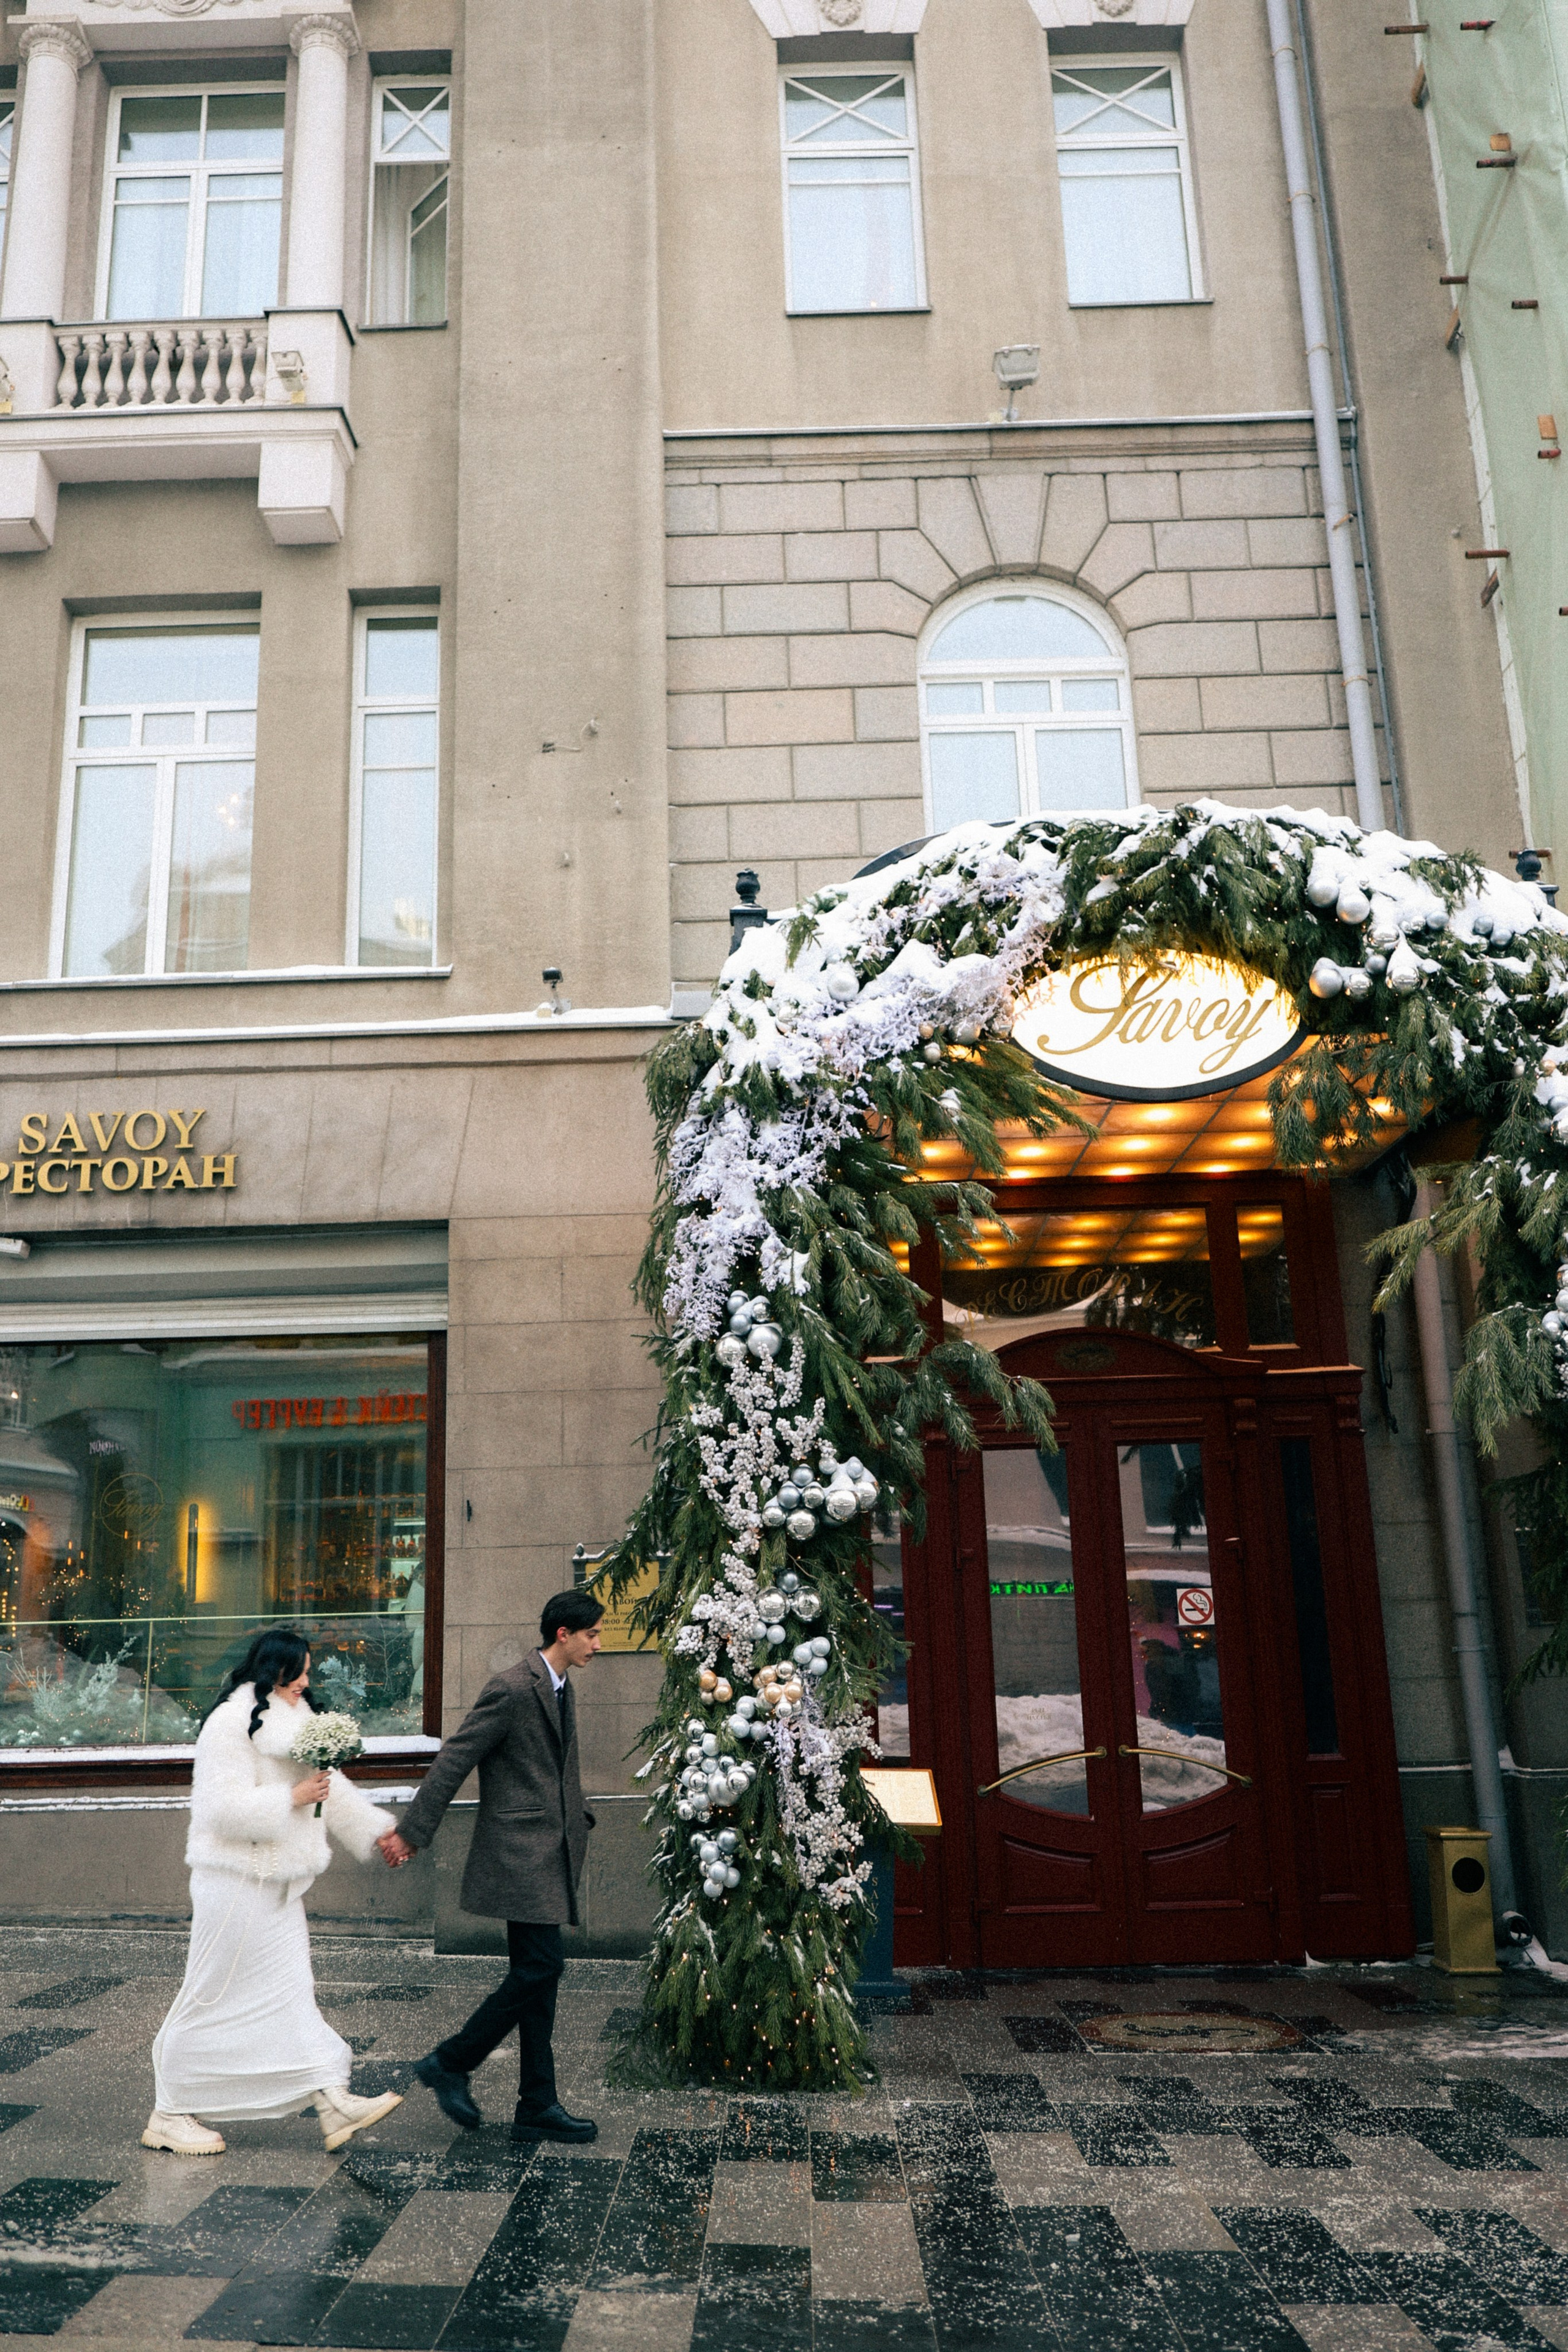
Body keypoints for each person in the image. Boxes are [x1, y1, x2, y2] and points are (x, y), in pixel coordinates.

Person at [143, 1626, 408, 2158]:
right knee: (209, 1995)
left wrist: (379, 1832)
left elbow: (332, 1792)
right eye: (300, 1672)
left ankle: (332, 2101)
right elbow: (219, 1810)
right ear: (275, 1671)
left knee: (292, 1994)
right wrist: (291, 1796)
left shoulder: (301, 1721)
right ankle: (169, 2114)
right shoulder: (228, 1723)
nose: (307, 1682)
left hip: (281, 1886)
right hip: (234, 1882)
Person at [378, 1589, 602, 2145]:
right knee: (540, 1969)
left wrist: (579, 1814)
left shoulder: (559, 1684)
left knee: (539, 1980)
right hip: (520, 1854)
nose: (600, 1642)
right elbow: (455, 1757)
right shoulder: (510, 1687)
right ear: (563, 1635)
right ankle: (452, 2061)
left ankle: (537, 2103)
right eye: (593, 1634)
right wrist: (413, 1830)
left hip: (550, 1850)